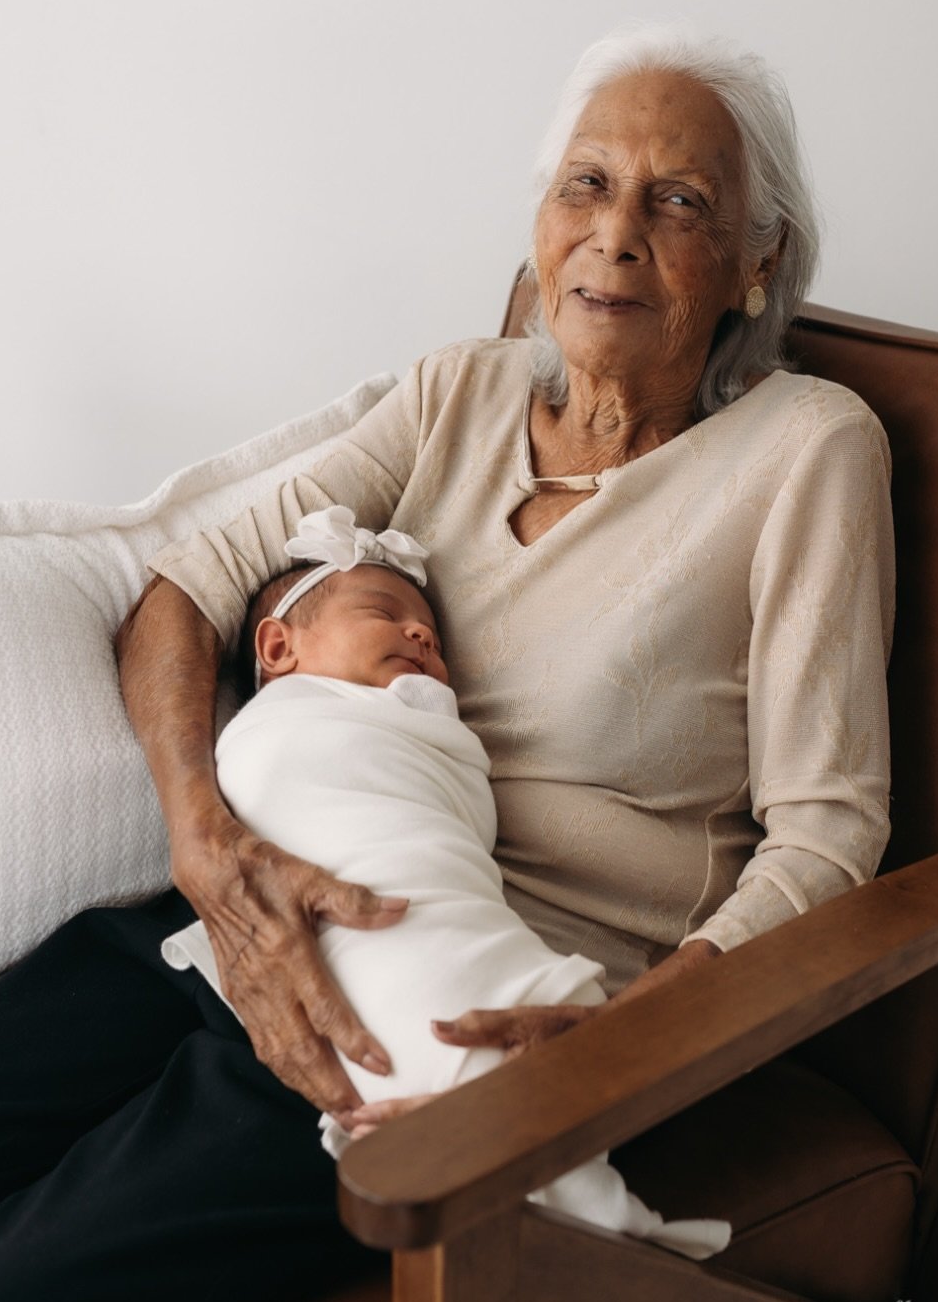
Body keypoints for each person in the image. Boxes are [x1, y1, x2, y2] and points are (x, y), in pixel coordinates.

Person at [0, 24, 894, 1302]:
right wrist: (205, 845)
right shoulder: (458, 392)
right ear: (539, 221)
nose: (615, 234)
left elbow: (828, 836)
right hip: (222, 925)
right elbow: (184, 592)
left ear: (757, 259)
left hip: (440, 1015)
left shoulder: (804, 450)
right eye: (584, 186)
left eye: (679, 201)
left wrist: (625, 1040)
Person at [166, 502, 728, 1256]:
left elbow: (449, 819)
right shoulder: (278, 723)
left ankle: (519, 1130)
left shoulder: (428, 731)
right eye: (382, 612)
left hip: (378, 932)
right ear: (277, 647)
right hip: (226, 923)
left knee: (433, 977)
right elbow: (182, 590)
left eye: (428, 636)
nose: (421, 634)